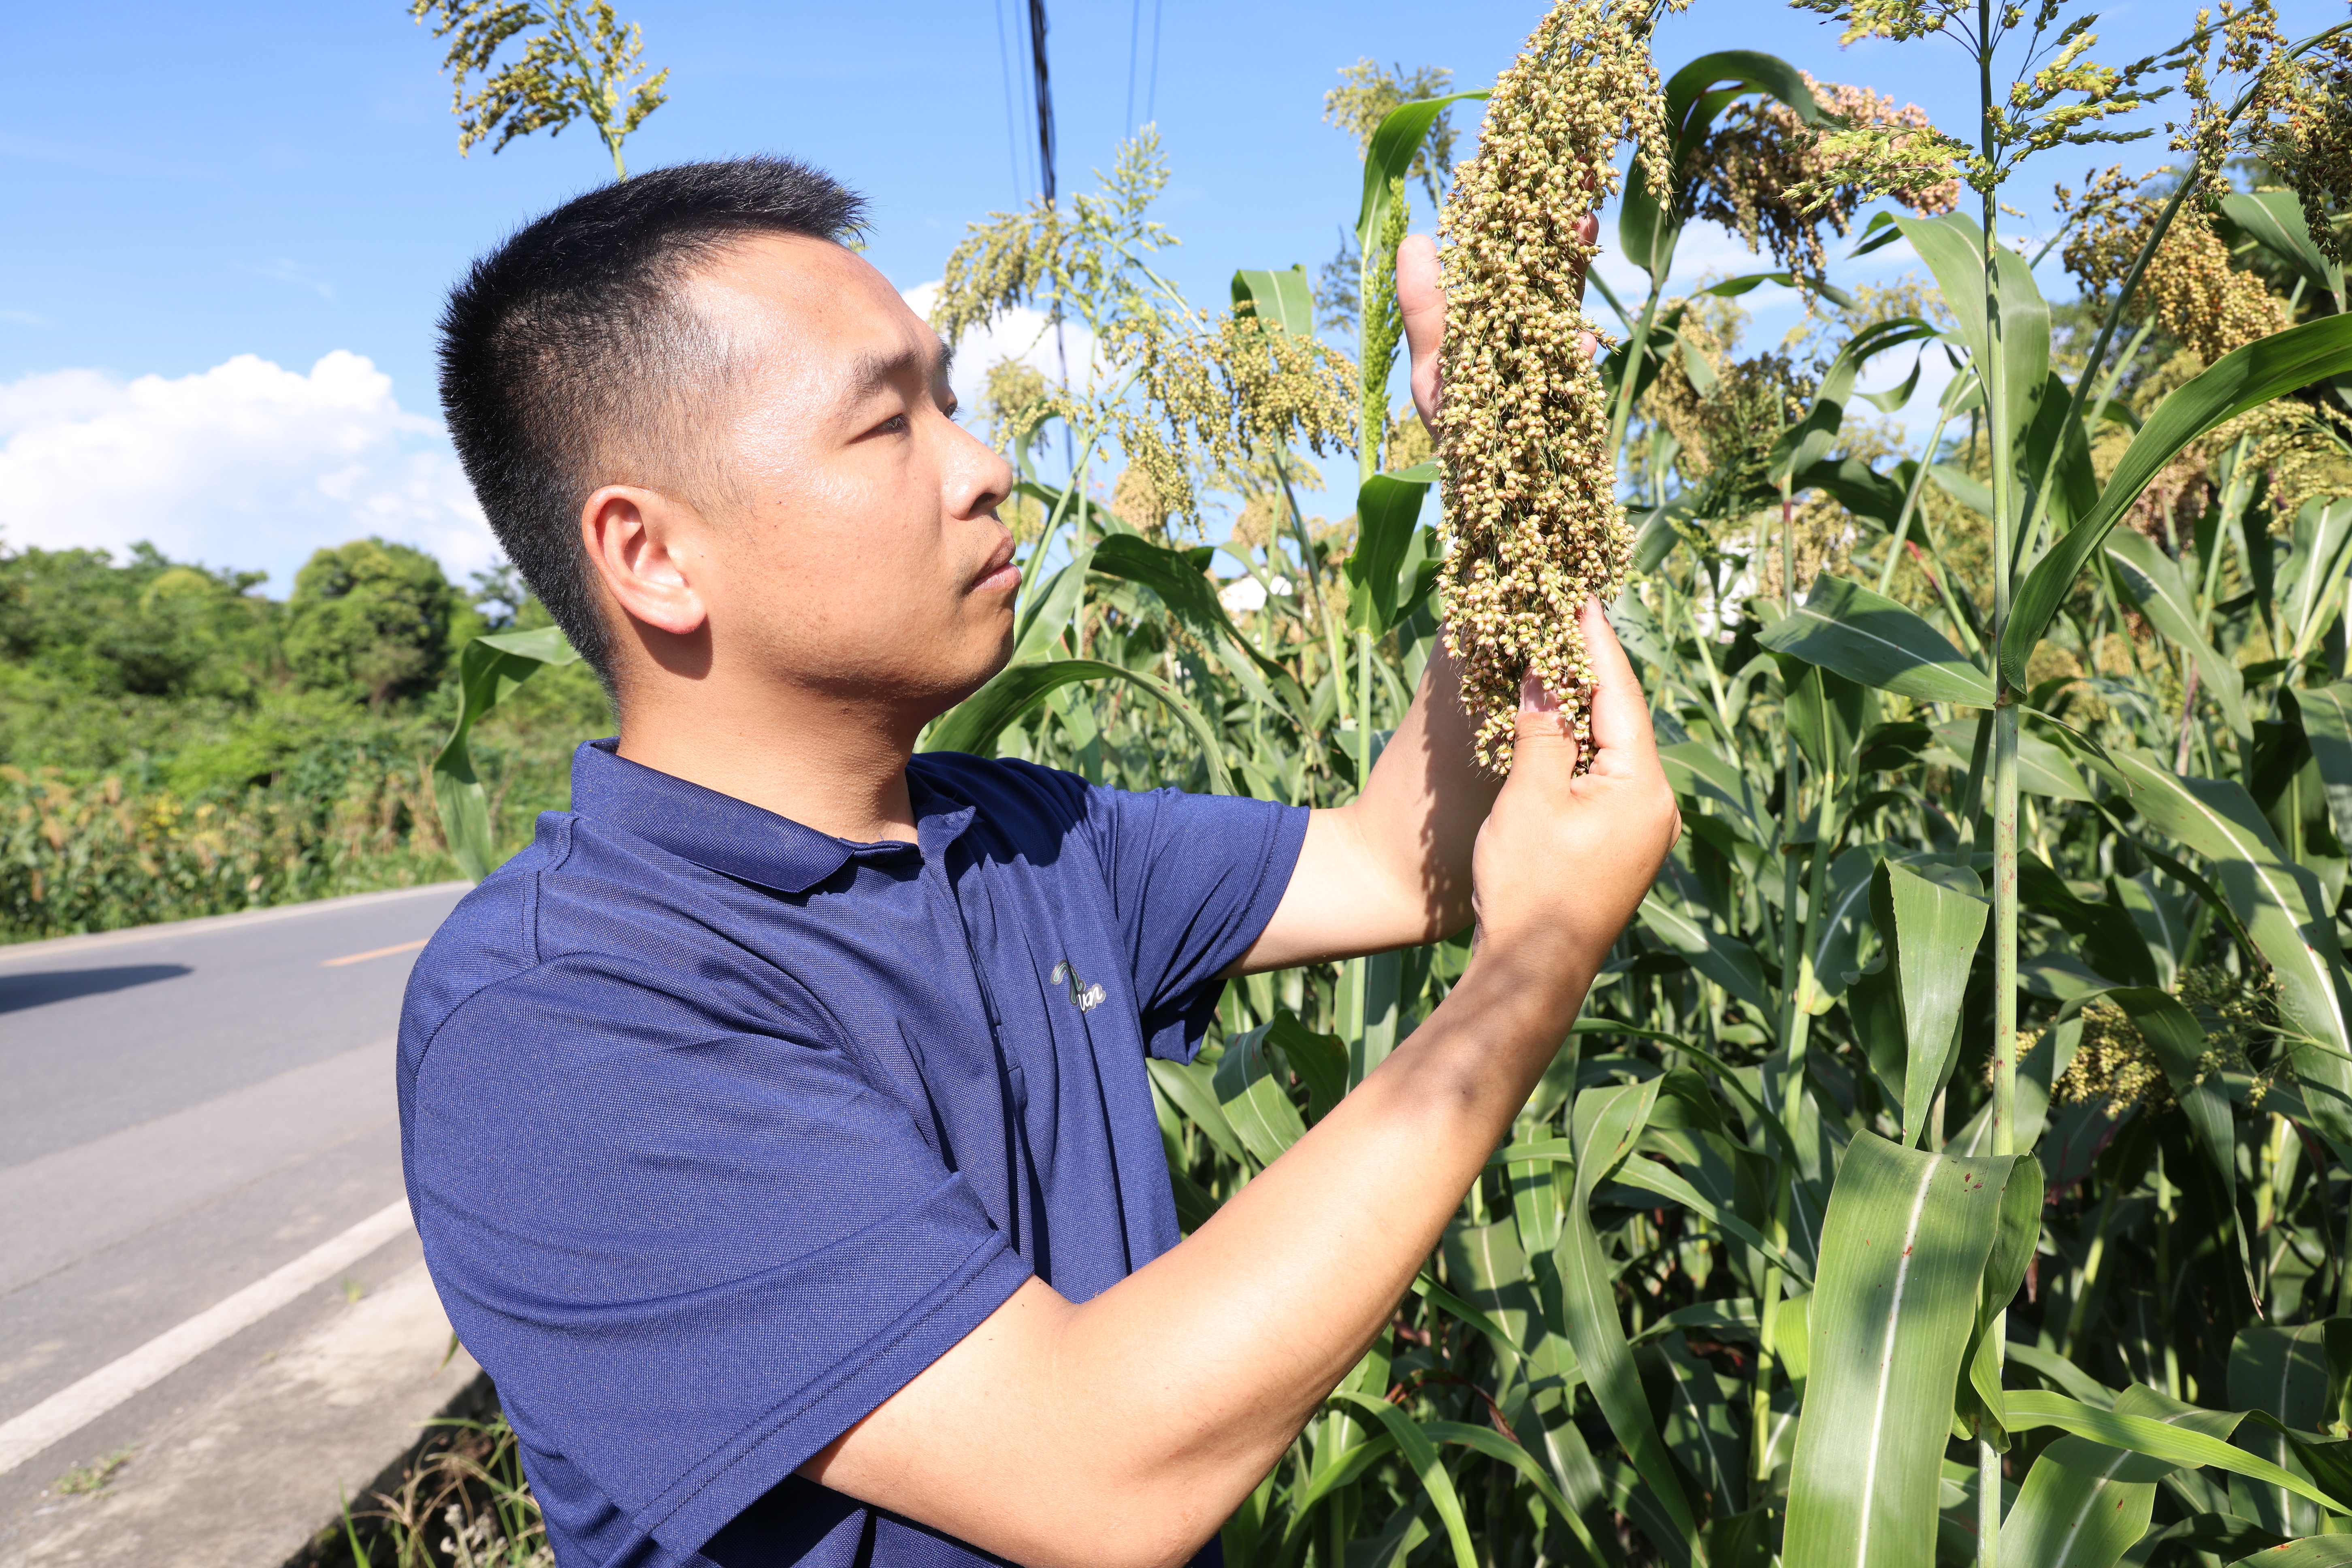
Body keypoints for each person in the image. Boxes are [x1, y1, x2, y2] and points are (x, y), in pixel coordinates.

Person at [400, 155, 1679, 1568]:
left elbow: (1401, 865)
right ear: (651, 556)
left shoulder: (1011, 840)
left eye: (951, 398)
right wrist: (1534, 971)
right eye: (888, 423)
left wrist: (1505, 461)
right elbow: (1094, 1471)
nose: (985, 465)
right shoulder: (563, 1021)